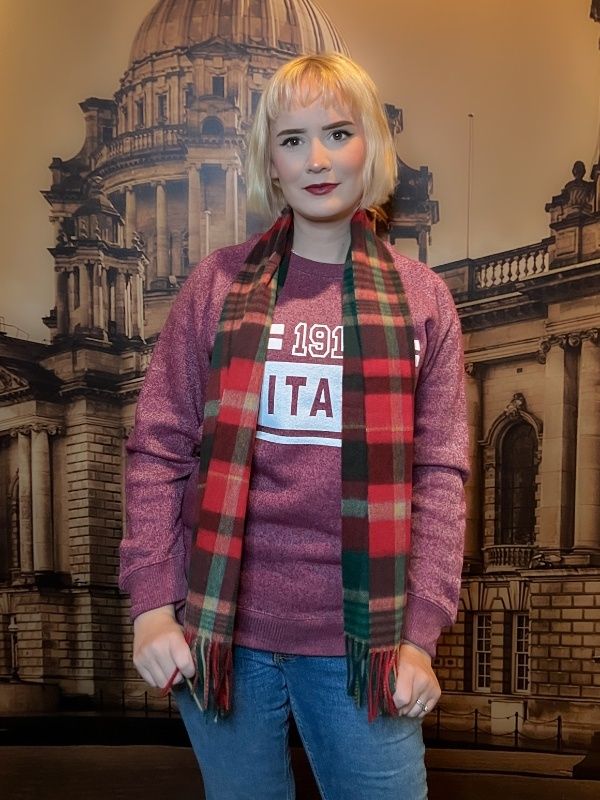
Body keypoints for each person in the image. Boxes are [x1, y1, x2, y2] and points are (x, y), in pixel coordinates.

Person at [120, 52, 469, 800]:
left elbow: (440, 474)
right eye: (291, 140)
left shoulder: (424, 300)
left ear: (371, 147)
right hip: (220, 634)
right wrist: (151, 607)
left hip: (364, 643)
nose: (316, 159)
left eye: (338, 133)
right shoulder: (214, 286)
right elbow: (157, 450)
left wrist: (420, 636)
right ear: (269, 163)